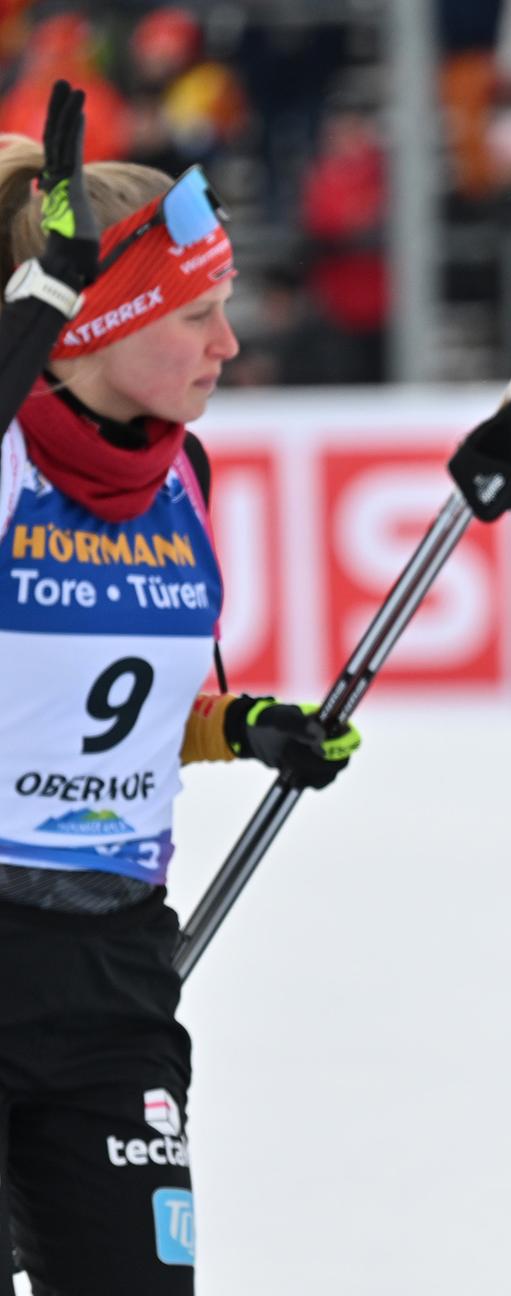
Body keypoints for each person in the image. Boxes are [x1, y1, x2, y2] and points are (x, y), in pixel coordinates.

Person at [0, 81, 359, 1293]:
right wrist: (36, 298)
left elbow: (138, 715)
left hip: (113, 968)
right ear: (97, 325)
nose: (230, 345)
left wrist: (244, 725)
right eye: (197, 315)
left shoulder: (180, 475)